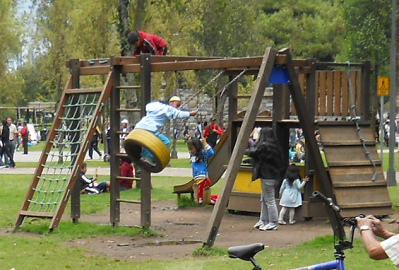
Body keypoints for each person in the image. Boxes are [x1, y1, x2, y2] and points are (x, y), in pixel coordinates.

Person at [133, 96, 197, 167]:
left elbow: (148, 106)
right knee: (166, 142)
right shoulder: (168, 109)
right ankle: (149, 158)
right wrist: (190, 113)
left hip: (139, 127)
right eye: (177, 105)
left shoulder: (154, 105)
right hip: (149, 129)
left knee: (146, 144)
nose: (177, 108)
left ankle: (143, 156)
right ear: (171, 102)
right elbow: (177, 114)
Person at [247, 127, 284, 231]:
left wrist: (252, 140)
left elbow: (251, 152)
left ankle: (273, 222)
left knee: (270, 199)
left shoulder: (263, 146)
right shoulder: (275, 146)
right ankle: (262, 220)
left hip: (267, 176)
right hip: (274, 176)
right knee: (264, 198)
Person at [186, 136, 218, 205]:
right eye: (189, 149)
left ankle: (217, 200)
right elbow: (192, 142)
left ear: (197, 148)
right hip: (197, 179)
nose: (190, 151)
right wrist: (189, 138)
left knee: (200, 200)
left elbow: (211, 152)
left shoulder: (203, 154)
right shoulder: (192, 155)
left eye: (191, 149)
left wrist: (205, 143)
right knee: (205, 198)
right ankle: (218, 199)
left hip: (203, 178)